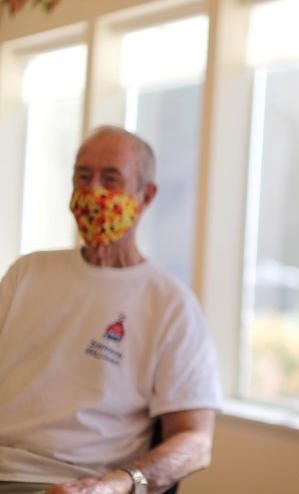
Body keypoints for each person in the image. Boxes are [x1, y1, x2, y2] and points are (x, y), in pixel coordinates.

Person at [0, 126, 223, 493]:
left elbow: (196, 442)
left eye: (111, 178)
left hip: (75, 483)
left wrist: (119, 484)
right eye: (83, 177)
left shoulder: (170, 305)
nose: (94, 192)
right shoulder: (27, 273)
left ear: (146, 196)